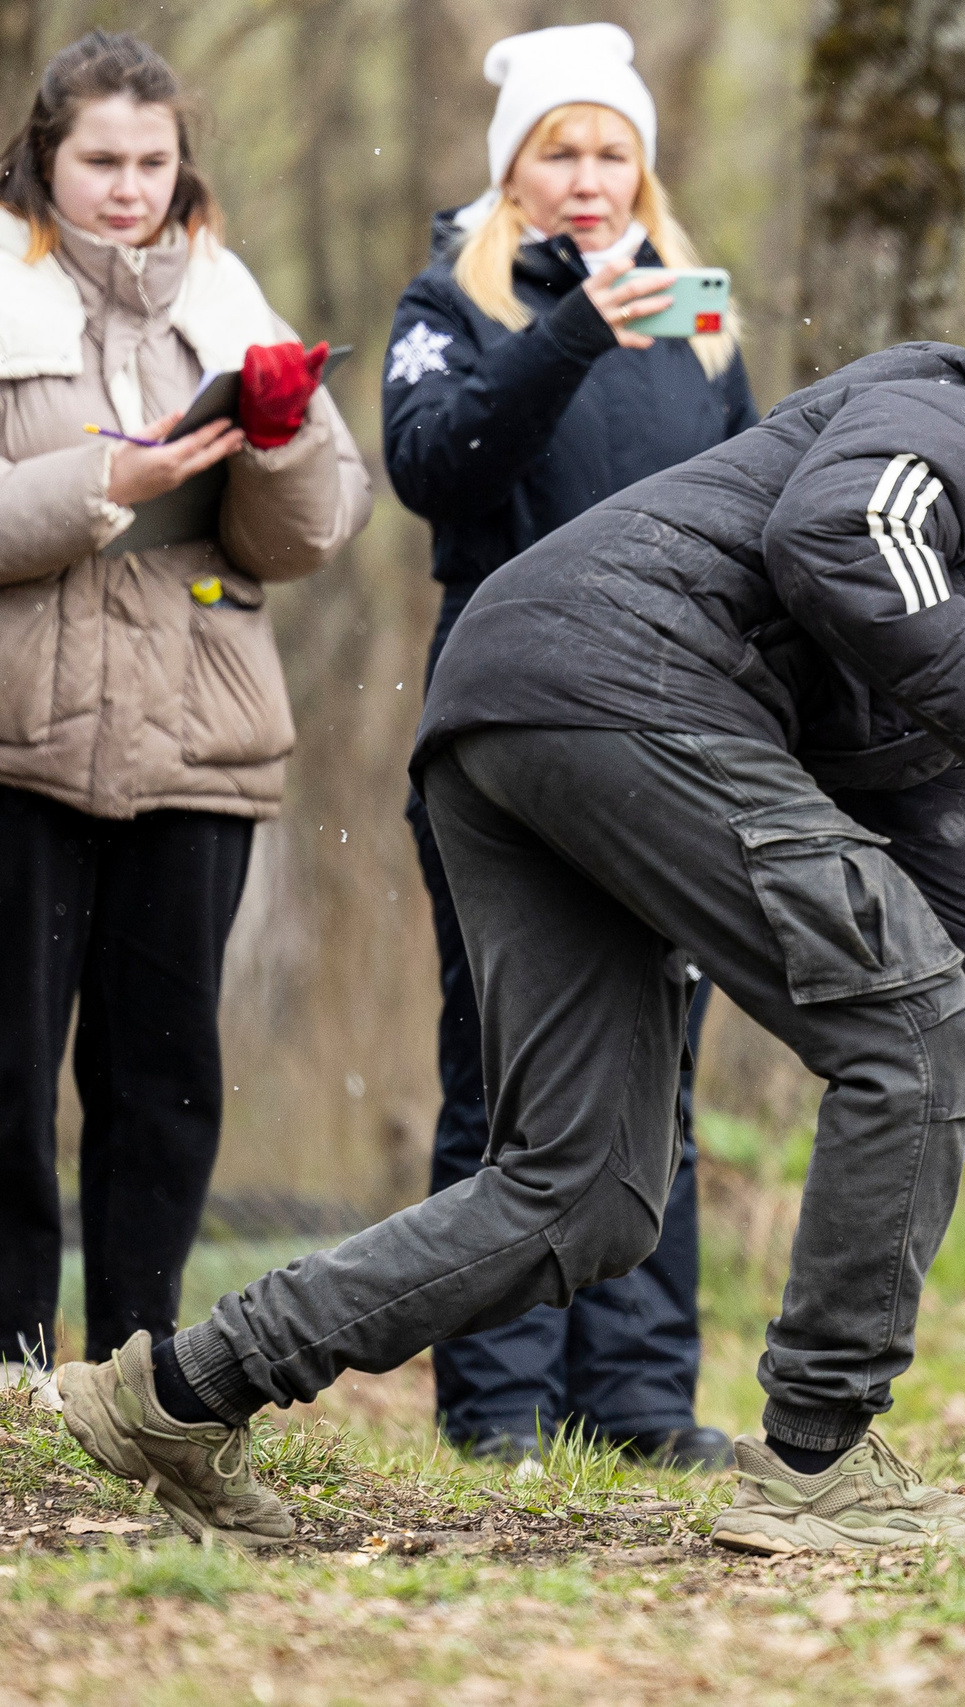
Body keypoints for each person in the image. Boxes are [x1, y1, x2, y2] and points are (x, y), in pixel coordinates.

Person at [61, 338, 965, 1554]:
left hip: (516, 715)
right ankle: (817, 1459)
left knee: (586, 1195)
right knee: (907, 1032)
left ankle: (181, 1392)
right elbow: (842, 534)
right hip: (617, 681)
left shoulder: (942, 658)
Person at [383, 23, 756, 1471]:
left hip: (680, 735)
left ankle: (641, 1401)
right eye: (561, 150)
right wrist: (573, 329)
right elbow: (434, 464)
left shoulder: (700, 325)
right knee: (508, 1074)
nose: (590, 176)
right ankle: (497, 1409)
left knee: (658, 1070)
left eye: (613, 151)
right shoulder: (452, 303)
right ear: (515, 172)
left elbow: (753, 507)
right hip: (505, 739)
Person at [0, 31, 370, 1403]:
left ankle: (143, 1377)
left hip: (198, 742)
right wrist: (110, 478)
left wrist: (276, 436)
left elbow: (312, 534)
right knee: (7, 1073)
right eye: (100, 160)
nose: (128, 188)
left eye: (153, 162)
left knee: (164, 1079)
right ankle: (13, 1365)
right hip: (18, 733)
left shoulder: (231, 299)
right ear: (46, 159)